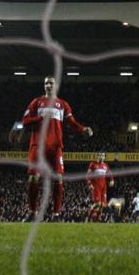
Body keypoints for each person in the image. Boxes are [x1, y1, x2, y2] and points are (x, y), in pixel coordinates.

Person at [21, 75, 92, 220]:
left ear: (56, 86)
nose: (49, 85)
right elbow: (25, 121)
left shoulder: (63, 104)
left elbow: (72, 122)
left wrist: (82, 129)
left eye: (51, 83)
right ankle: (32, 213)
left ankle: (56, 214)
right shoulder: (36, 102)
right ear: (44, 85)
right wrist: (40, 118)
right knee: (33, 178)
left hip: (56, 147)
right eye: (46, 83)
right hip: (38, 146)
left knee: (58, 179)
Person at [86, 152, 114, 222]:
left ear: (104, 157)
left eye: (103, 155)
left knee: (103, 205)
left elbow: (110, 174)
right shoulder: (93, 164)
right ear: (98, 156)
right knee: (97, 203)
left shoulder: (105, 165)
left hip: (103, 187)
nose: (102, 156)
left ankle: (97, 219)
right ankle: (88, 217)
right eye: (101, 155)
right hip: (96, 186)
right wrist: (90, 184)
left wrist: (112, 180)